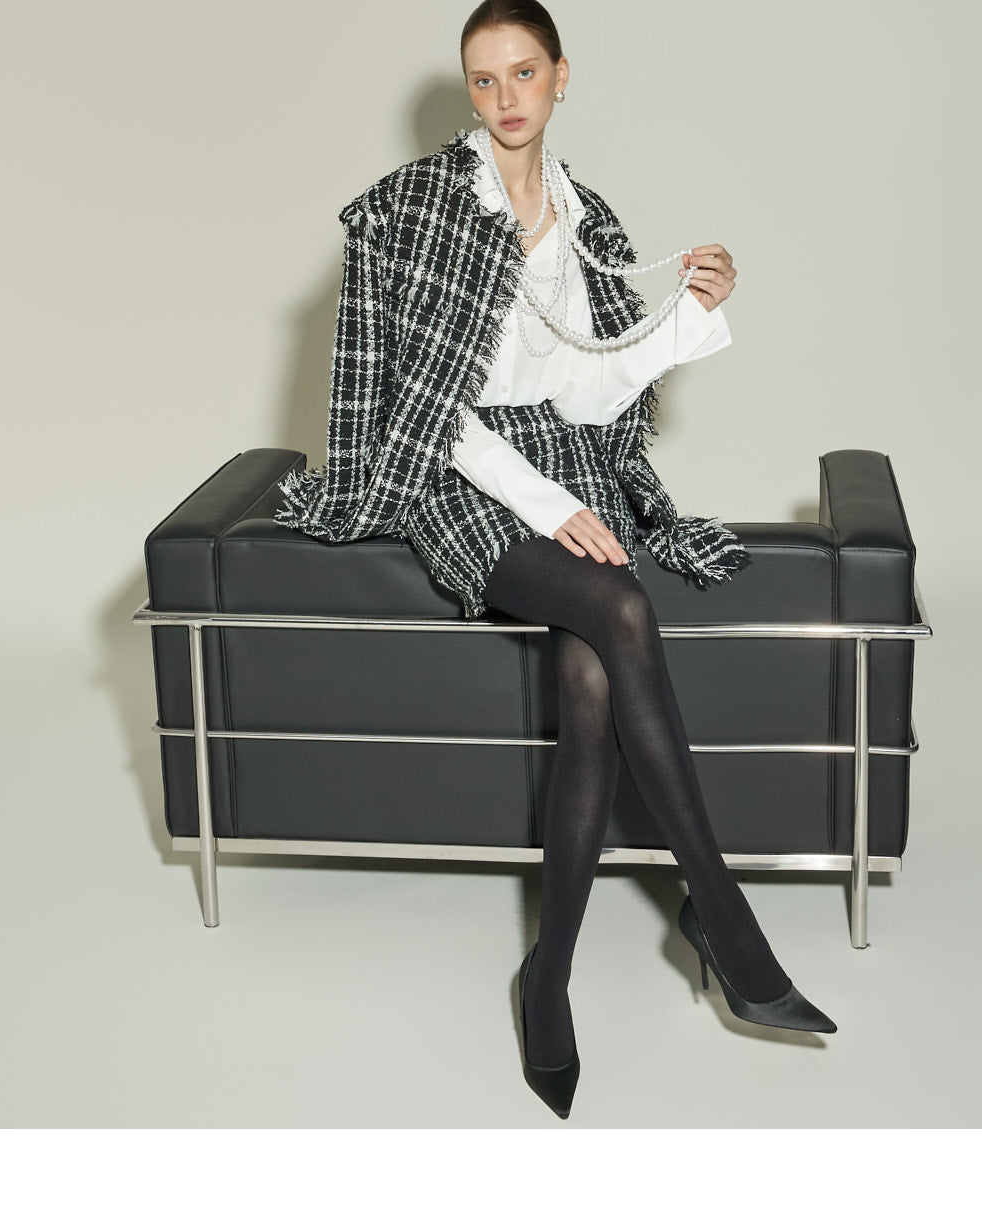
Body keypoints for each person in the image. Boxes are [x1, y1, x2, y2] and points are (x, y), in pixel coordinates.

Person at [276, 0, 836, 1119]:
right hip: (450, 469)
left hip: (561, 453)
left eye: (523, 73)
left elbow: (587, 389)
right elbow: (425, 406)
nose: (505, 98)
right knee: (618, 607)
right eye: (484, 80)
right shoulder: (419, 206)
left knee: (591, 677)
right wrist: (547, 504)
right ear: (469, 89)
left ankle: (548, 974)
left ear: (561, 76)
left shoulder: (589, 217)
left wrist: (685, 314)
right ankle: (724, 920)